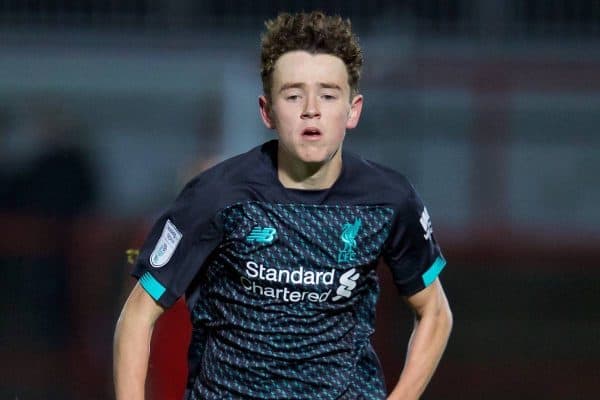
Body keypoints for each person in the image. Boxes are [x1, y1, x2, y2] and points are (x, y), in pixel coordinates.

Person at [114, 11, 452, 400]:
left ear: (353, 110)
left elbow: (436, 313)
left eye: (328, 94)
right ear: (267, 111)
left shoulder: (390, 200)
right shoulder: (215, 196)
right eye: (293, 95)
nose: (312, 108)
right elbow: (138, 314)